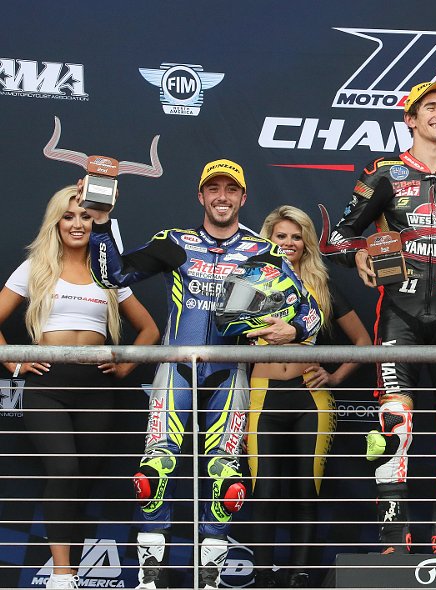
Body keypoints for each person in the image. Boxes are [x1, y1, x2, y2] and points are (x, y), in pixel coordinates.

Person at [86, 159, 321, 589]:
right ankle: (148, 579)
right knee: (151, 475)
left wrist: (294, 329)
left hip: (228, 375)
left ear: (243, 198)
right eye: (213, 189)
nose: (222, 197)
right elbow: (111, 274)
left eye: (231, 190)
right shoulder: (176, 242)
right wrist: (101, 221)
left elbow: (312, 312)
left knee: (226, 481)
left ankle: (210, 580)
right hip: (175, 370)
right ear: (201, 196)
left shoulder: (262, 252)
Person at [325, 79, 436, 555]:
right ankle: (392, 540)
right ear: (410, 119)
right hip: (397, 315)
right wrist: (360, 254)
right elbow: (337, 238)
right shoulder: (384, 173)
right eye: (430, 108)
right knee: (394, 425)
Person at [0, 186, 158, 589]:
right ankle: (63, 575)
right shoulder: (35, 267)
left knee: (82, 477)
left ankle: (67, 563)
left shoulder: (108, 270)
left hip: (96, 387)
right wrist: (14, 360)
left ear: (96, 222)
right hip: (47, 384)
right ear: (56, 221)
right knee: (64, 468)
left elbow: (150, 330)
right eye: (69, 216)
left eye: (85, 216)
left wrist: (125, 364)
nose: (77, 224)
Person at [248, 205, 372, 587]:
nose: (288, 243)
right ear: (269, 239)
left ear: (306, 242)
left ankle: (300, 575)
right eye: (281, 236)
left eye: (296, 236)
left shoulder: (321, 284)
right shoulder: (252, 278)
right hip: (262, 394)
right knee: (264, 492)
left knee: (306, 490)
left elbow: (364, 341)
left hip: (309, 398)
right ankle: (262, 575)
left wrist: (334, 376)